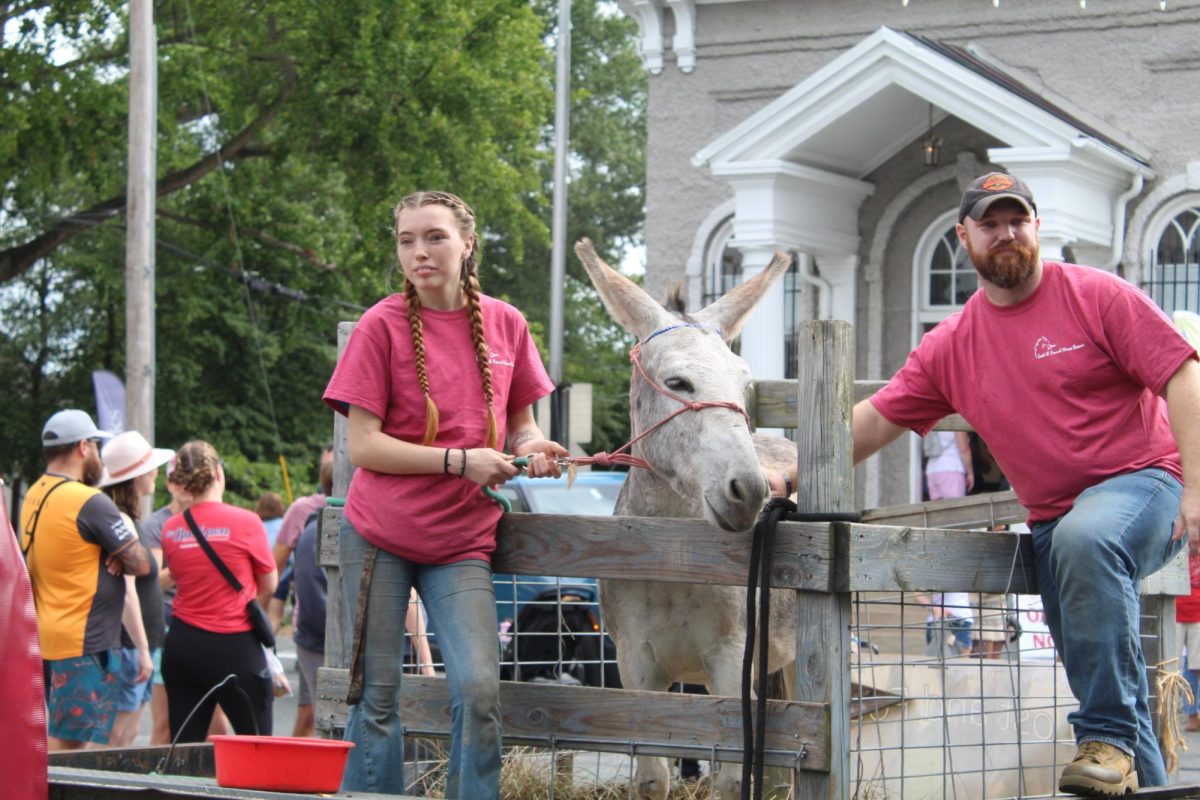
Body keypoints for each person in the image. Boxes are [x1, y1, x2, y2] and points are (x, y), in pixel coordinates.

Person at [836, 172, 1200, 795]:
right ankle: (1132, 758)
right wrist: (783, 468)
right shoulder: (951, 345)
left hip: (1145, 486)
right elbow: (872, 422)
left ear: (1036, 226)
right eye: (990, 223)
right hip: (1057, 527)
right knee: (1104, 669)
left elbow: (1183, 374)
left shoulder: (1096, 296)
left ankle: (1105, 737)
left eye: (1018, 220)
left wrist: (1197, 487)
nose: (1006, 233)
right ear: (964, 235)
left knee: (1090, 557)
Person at [323, 190, 568, 797]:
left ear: (467, 243)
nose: (419, 252)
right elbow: (364, 448)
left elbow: (524, 424)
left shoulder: (507, 322)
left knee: (480, 689)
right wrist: (459, 462)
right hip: (379, 534)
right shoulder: (379, 326)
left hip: (462, 541)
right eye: (407, 240)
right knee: (376, 696)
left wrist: (533, 448)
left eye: (434, 236)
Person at [19, 409, 151, 750]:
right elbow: (140, 562)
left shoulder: (35, 493)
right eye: (95, 445)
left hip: (48, 634)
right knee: (69, 746)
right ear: (82, 447)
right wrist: (117, 555)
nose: (97, 454)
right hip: (84, 641)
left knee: (62, 737)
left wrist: (108, 553)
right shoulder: (89, 501)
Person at [159, 440, 279, 742]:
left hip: (183, 644)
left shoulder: (171, 528)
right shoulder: (247, 522)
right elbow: (270, 584)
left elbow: (178, 575)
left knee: (183, 749)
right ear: (218, 473)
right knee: (256, 742)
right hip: (234, 644)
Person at [98, 431, 174, 747]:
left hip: (139, 643)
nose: (155, 474)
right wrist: (142, 649)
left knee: (126, 733)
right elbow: (128, 592)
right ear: (136, 476)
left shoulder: (128, 520)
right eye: (151, 468)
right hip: (130, 645)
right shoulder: (122, 522)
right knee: (118, 736)